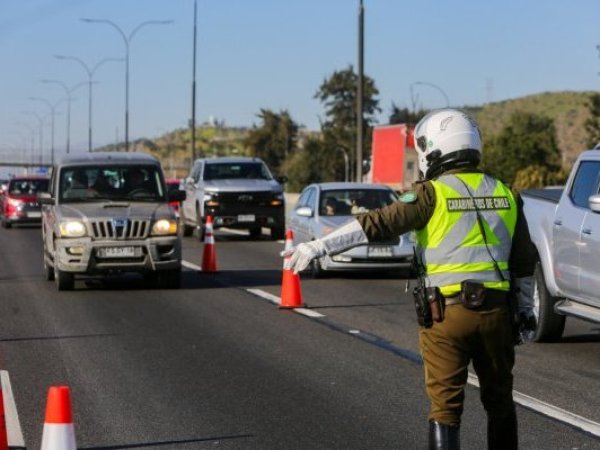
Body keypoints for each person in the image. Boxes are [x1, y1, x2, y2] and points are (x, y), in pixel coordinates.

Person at [282, 109, 537, 449]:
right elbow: (524, 262)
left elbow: (375, 224)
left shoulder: (431, 194)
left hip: (446, 316)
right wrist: (525, 312)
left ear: (434, 151)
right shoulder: (508, 194)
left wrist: (319, 245)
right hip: (497, 316)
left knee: (446, 409)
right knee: (500, 404)